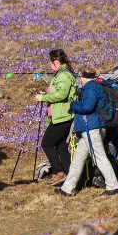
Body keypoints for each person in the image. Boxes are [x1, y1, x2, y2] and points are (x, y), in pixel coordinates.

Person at [56, 67, 118, 197]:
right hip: (91, 128)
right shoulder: (95, 86)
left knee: (99, 158)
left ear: (85, 77)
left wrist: (73, 105)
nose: (79, 80)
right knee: (78, 159)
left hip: (91, 128)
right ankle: (67, 189)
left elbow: (87, 107)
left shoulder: (91, 88)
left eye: (80, 77)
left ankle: (113, 186)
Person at [35, 49, 77, 187]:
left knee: (46, 143)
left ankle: (59, 172)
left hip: (63, 116)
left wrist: (43, 97)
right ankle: (70, 175)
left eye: (51, 62)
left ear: (57, 62)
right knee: (61, 148)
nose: (49, 65)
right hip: (63, 115)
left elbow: (61, 94)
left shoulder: (63, 75)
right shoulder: (62, 74)